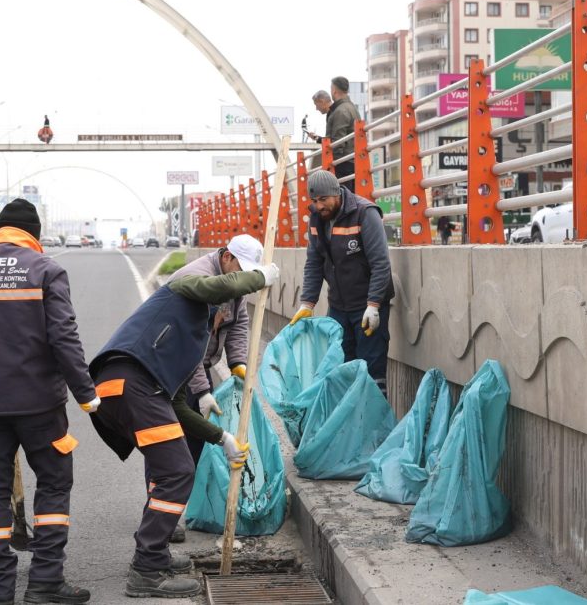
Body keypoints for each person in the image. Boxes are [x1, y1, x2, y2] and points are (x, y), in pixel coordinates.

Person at [0, 198, 98, 605]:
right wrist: (87, 396)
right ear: (35, 236)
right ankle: (45, 582)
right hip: (39, 405)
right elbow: (64, 338)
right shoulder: (47, 270)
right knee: (54, 484)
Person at [86, 257, 279, 598]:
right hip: (132, 383)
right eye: (223, 315)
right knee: (177, 471)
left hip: (125, 387)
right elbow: (219, 285)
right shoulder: (185, 289)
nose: (223, 322)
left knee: (168, 468)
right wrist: (261, 276)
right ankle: (146, 569)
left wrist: (222, 438)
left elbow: (175, 405)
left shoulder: (192, 341)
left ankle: (155, 554)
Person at [164, 234, 264, 544]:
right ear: (227, 257)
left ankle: (179, 506)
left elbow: (238, 326)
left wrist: (238, 364)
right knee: (170, 443)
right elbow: (189, 345)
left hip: (201, 363)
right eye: (241, 268)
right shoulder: (199, 279)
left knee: (195, 441)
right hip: (173, 365)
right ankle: (161, 517)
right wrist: (203, 389)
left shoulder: (234, 286)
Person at [289, 170, 395, 397]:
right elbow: (314, 262)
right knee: (341, 369)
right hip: (338, 306)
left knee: (370, 371)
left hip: (366, 305)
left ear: (336, 194)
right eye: (314, 201)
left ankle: (375, 429)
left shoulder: (365, 213)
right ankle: (348, 426)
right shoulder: (317, 219)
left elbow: (381, 263)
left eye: (323, 200)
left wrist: (374, 305)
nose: (319, 206)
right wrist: (307, 302)